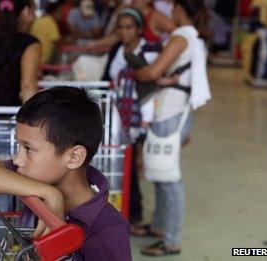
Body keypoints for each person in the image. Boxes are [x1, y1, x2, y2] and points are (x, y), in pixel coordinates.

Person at [0, 87, 132, 260]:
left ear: (73, 157)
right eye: (19, 146)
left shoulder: (107, 230)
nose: (18, 159)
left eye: (28, 149)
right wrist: (50, 194)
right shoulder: (32, 180)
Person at [134, 0, 211, 256]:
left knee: (169, 177)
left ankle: (171, 239)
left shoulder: (180, 37)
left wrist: (138, 71)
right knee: (159, 172)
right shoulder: (195, 37)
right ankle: (159, 226)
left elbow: (153, 71)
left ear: (178, 10)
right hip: (177, 113)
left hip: (170, 113)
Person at [102, 7, 161, 229]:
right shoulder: (117, 49)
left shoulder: (150, 51)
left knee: (133, 168)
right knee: (124, 166)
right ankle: (128, 213)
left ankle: (134, 214)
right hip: (119, 116)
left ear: (138, 29)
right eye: (121, 27)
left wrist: (146, 125)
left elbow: (152, 88)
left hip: (141, 119)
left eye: (129, 27)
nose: (125, 32)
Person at [88, 0, 174, 48]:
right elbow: (117, 36)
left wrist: (161, 49)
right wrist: (94, 44)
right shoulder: (128, 13)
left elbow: (178, 33)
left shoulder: (157, 17)